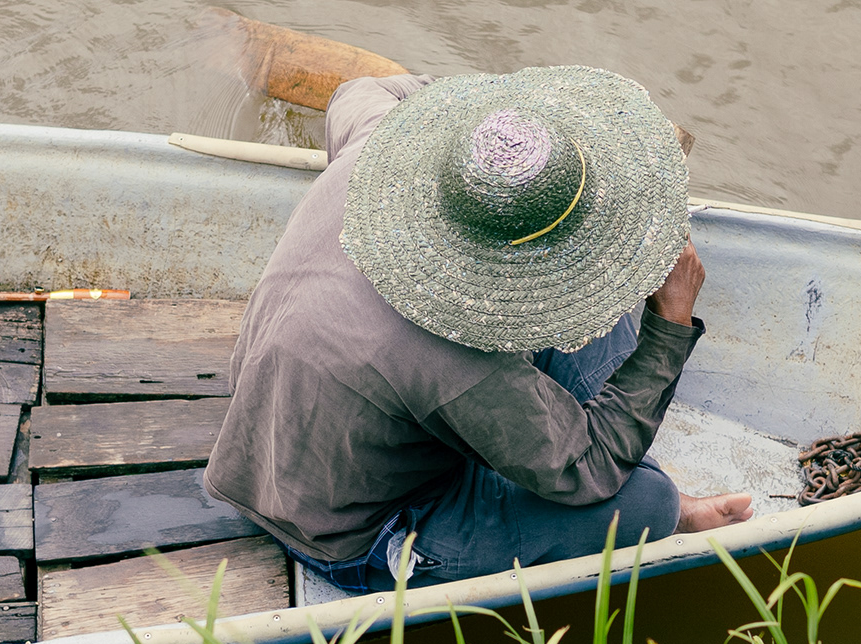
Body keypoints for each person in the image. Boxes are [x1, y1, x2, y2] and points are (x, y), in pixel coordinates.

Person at [204, 66, 753, 594]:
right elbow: (590, 470)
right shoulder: (455, 360)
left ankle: (598, 430)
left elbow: (359, 88)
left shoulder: (376, 148)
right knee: (648, 501)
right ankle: (647, 477)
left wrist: (487, 125)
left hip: (304, 429)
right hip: (347, 528)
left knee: (598, 306)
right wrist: (670, 322)